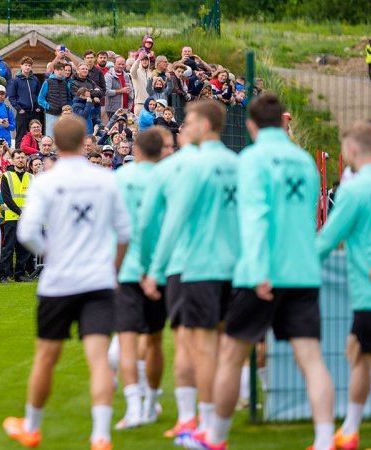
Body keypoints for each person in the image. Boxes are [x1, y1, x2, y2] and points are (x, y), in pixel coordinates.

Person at [185, 94, 335, 450]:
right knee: (312, 360)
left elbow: (255, 217)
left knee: (232, 356)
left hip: (261, 273)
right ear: (283, 121)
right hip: (302, 271)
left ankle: (215, 437)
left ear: (251, 125)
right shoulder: (304, 161)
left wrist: (259, 269)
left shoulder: (250, 160)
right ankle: (326, 440)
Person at [4, 116, 131, 450]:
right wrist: (114, 270)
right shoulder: (106, 179)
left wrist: (51, 254)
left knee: (46, 356)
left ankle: (31, 427)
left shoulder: (46, 181)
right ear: (85, 142)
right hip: (98, 279)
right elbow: (125, 233)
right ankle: (101, 435)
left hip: (59, 281)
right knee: (99, 358)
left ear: (54, 144)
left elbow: (27, 232)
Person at [142, 100, 239, 443]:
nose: (185, 127)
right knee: (228, 348)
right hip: (234, 267)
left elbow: (173, 219)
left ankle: (206, 426)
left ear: (202, 125)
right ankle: (212, 423)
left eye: (190, 121)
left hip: (196, 265)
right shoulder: (236, 163)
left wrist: (154, 268)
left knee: (198, 347)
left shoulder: (192, 165)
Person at [315, 123, 371, 450]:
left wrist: (293, 265)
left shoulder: (353, 191)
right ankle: (350, 431)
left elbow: (327, 238)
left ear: (353, 150)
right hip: (369, 293)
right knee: (355, 351)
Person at [112, 128, 172, 430]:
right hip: (158, 269)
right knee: (155, 339)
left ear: (135, 148)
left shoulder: (120, 178)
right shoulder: (167, 179)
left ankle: (135, 407)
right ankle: (150, 402)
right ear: (162, 150)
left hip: (126, 268)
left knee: (127, 339)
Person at [0, 149, 31, 284]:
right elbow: (6, 197)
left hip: (27, 218)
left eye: (23, 157)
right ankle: (3, 275)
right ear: (12, 160)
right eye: (17, 158)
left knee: (23, 248)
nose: (20, 160)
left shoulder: (31, 177)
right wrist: (20, 212)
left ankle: (19, 274)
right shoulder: (6, 176)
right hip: (12, 217)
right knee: (8, 247)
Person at [7, 56, 42, 147]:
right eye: (25, 65)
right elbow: (11, 97)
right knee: (21, 133)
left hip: (34, 111)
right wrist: (19, 109)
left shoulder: (35, 79)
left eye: (29, 65)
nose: (27, 67)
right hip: (22, 112)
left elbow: (39, 94)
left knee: (36, 133)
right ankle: (19, 152)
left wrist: (38, 106)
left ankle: (36, 151)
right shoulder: (15, 80)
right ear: (21, 66)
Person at [38, 62, 71, 138]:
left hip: (64, 115)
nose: (60, 72)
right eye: (58, 70)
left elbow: (69, 98)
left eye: (62, 70)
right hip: (51, 114)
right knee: (51, 136)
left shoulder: (65, 83)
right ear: (54, 71)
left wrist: (68, 108)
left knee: (64, 137)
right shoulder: (48, 82)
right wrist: (49, 106)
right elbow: (40, 99)